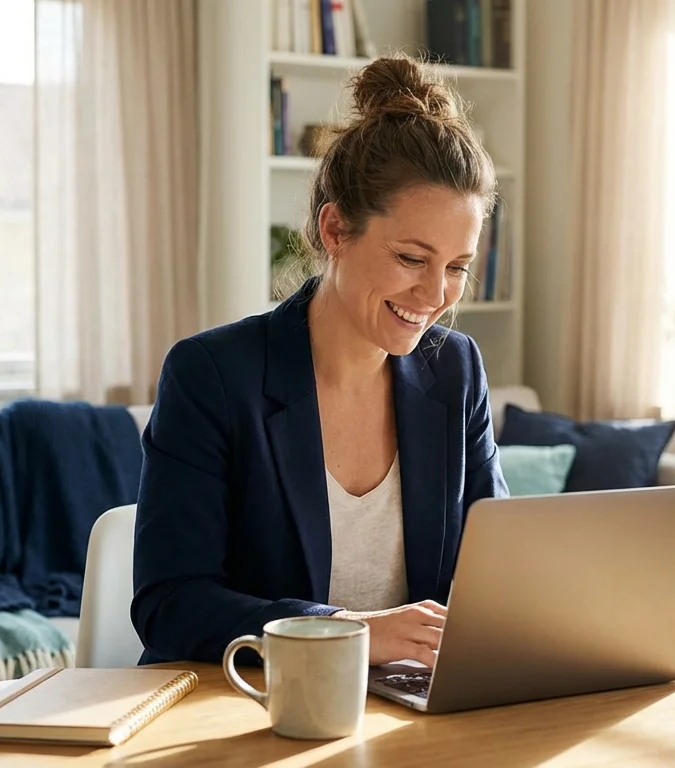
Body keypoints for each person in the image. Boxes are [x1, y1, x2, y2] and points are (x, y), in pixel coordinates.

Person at [130, 54, 509, 670]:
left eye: (458, 267)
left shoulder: (455, 370)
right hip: (246, 706)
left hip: (403, 710)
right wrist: (348, 631)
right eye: (412, 259)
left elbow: (495, 568)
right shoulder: (213, 376)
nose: (437, 294)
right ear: (335, 229)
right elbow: (171, 604)